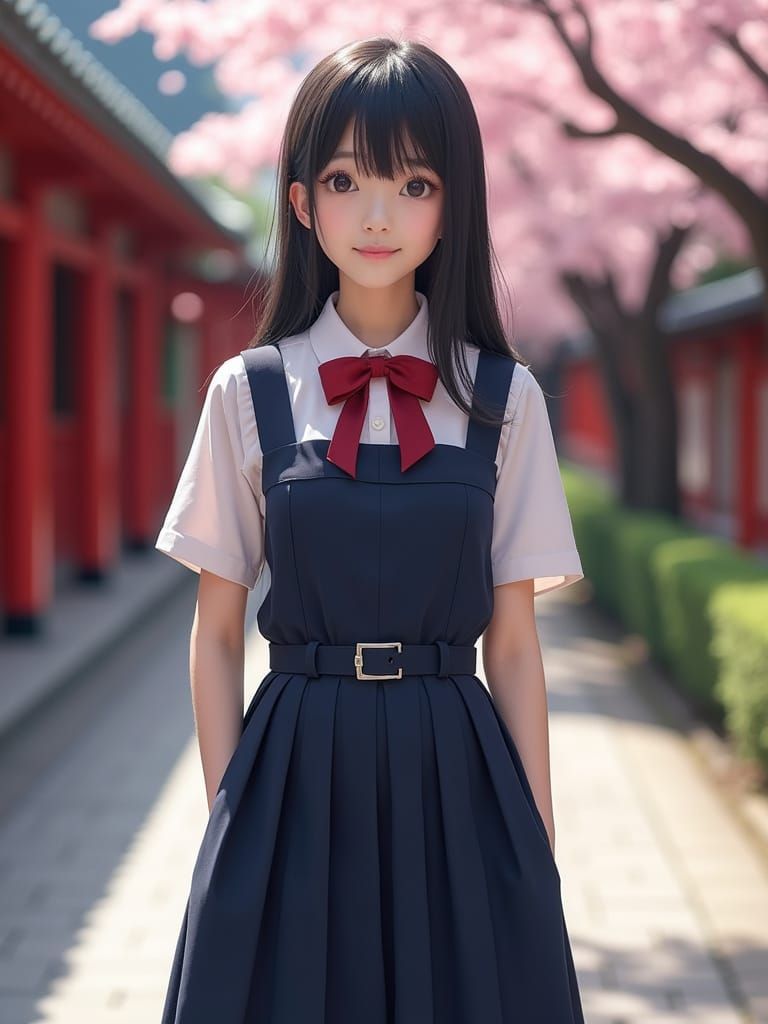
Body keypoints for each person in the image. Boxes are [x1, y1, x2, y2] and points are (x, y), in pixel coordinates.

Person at [155, 35, 586, 1024]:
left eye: (415, 183)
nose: (379, 215)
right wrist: (229, 821)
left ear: (453, 204)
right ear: (303, 203)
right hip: (295, 764)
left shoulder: (504, 398)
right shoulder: (250, 392)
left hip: (454, 762)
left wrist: (537, 840)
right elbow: (215, 633)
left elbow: (514, 646)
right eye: (347, 181)